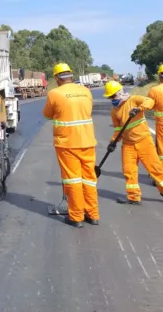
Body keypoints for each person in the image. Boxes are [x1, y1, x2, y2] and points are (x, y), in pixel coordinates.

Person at [104, 81, 163, 206]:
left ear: (120, 92)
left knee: (155, 169)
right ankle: (133, 197)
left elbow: (150, 102)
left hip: (144, 141)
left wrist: (139, 109)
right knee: (129, 171)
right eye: (110, 97)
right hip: (128, 145)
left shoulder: (134, 100)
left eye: (114, 96)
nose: (112, 99)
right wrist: (113, 142)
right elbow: (118, 129)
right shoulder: (114, 111)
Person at [42, 62, 98, 228]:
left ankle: (76, 217)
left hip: (67, 144)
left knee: (73, 180)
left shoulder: (54, 94)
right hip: (88, 141)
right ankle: (93, 215)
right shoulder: (86, 91)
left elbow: (47, 114)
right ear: (71, 76)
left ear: (57, 78)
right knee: (89, 179)